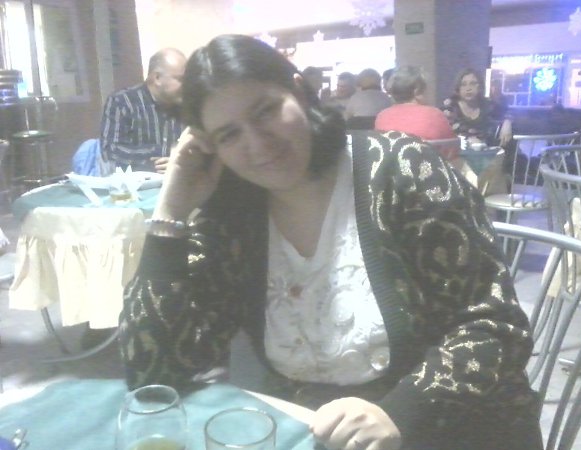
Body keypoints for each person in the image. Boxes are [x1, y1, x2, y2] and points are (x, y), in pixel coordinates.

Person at [119, 34, 543, 450]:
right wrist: (171, 212)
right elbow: (152, 375)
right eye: (228, 135)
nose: (257, 144)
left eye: (265, 111)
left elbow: (497, 326)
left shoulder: (403, 169)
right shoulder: (234, 215)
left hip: (450, 429)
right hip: (315, 434)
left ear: (299, 91)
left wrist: (400, 412)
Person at [100, 48, 187, 173]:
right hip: (137, 181)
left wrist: (179, 161)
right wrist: (159, 155)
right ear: (157, 78)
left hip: (179, 178)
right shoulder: (122, 102)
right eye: (181, 79)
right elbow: (110, 150)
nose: (186, 85)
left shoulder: (187, 106)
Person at [375, 66, 459, 161]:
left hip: (391, 169)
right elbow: (453, 148)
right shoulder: (434, 115)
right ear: (417, 91)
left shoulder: (381, 117)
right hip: (429, 168)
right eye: (426, 89)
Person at [442, 68, 512, 148]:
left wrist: (507, 123)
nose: (468, 88)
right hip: (458, 153)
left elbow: (508, 112)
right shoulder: (450, 107)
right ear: (458, 88)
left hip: (487, 152)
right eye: (463, 84)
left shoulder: (488, 104)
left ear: (480, 86)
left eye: (473, 83)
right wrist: (468, 140)